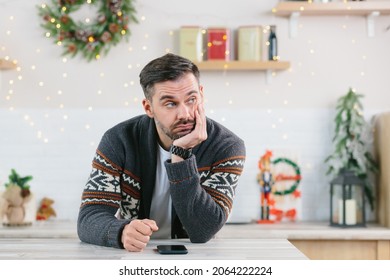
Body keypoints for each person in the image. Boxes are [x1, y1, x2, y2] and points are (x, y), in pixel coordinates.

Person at [77, 53, 246, 252]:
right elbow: (89, 218)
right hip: (134, 256)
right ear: (149, 107)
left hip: (197, 258)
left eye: (191, 99)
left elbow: (203, 230)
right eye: (170, 103)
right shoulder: (119, 140)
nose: (185, 114)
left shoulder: (226, 147)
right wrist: (121, 232)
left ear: (201, 94)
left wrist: (180, 155)